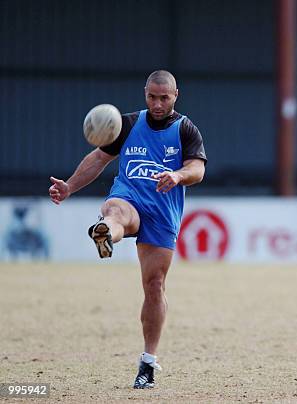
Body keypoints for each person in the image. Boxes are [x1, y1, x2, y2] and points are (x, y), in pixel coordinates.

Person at [48, 70, 207, 389]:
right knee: (116, 212)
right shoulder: (127, 124)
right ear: (145, 93)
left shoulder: (185, 129)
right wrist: (69, 187)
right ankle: (104, 230)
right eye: (152, 97)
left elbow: (197, 169)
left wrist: (177, 176)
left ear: (176, 95)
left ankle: (148, 362)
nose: (158, 103)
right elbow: (98, 158)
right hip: (130, 195)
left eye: (164, 97)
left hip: (163, 209)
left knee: (154, 284)